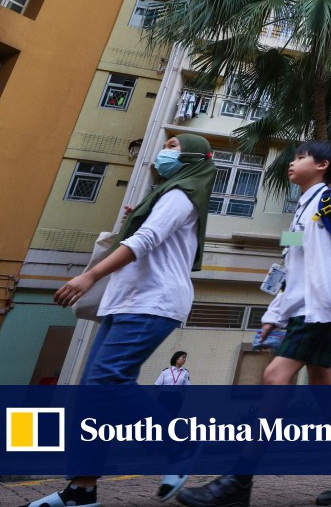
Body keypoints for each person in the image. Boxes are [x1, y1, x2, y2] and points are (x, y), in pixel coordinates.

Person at [178, 140, 331, 507]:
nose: (292, 161)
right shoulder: (301, 213)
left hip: (325, 307)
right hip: (307, 309)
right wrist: (273, 315)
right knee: (325, 390)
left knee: (275, 376)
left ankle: (239, 478)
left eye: (301, 156)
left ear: (321, 165)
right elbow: (291, 270)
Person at [25, 134, 216, 507]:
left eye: (174, 145)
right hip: (127, 302)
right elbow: (148, 235)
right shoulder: (166, 195)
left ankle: (181, 444)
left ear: (193, 156)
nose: (165, 151)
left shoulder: (182, 194)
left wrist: (89, 275)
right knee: (94, 396)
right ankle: (81, 491)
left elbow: (146, 240)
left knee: (107, 382)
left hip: (153, 301)